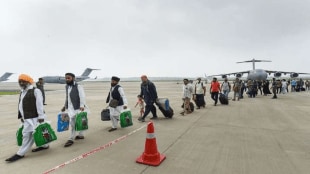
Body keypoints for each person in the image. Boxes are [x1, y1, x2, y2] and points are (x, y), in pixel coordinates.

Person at [5, 74, 48, 162]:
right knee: (37, 133)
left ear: (28, 82)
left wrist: (41, 116)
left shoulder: (36, 91)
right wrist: (21, 116)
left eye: (23, 81)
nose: (21, 83)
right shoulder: (23, 91)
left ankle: (20, 153)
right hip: (27, 118)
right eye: (20, 81)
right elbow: (21, 105)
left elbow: (39, 104)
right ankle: (44, 146)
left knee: (28, 135)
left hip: (35, 117)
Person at [61, 73, 86, 147]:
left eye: (69, 78)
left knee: (76, 123)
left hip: (77, 107)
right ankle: (78, 136)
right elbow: (67, 97)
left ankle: (72, 138)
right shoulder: (66, 86)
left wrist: (82, 105)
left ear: (73, 78)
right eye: (66, 78)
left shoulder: (78, 86)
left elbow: (82, 96)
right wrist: (64, 106)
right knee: (74, 123)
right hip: (70, 107)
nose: (67, 79)